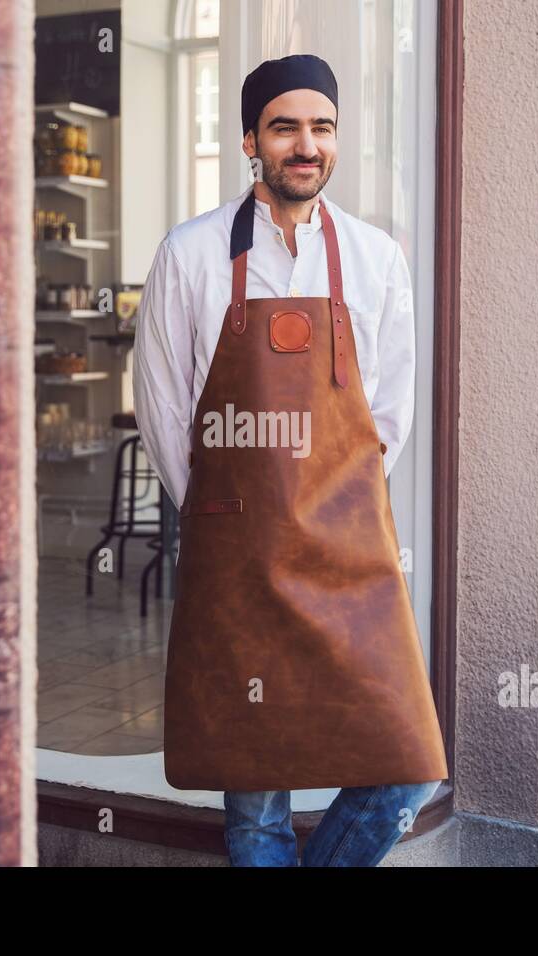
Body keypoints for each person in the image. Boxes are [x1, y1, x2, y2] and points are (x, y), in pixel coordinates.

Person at [133, 53, 447, 867]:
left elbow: (389, 414)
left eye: (322, 126)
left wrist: (327, 502)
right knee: (256, 791)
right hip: (242, 559)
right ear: (250, 139)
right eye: (285, 126)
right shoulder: (191, 253)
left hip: (348, 554)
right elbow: (166, 413)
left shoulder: (377, 258)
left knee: (404, 768)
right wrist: (232, 512)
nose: (306, 145)